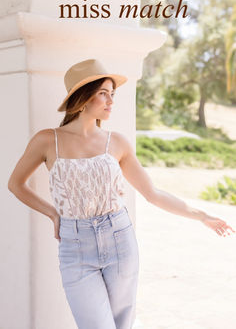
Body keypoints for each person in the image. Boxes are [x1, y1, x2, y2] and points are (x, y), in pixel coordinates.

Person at [8, 59, 235, 329]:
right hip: (75, 247)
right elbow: (16, 184)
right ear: (82, 97)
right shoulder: (47, 140)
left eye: (112, 94)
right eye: (103, 93)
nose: (110, 101)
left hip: (119, 239)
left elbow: (152, 193)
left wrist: (202, 216)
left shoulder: (116, 142)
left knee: (121, 325)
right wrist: (53, 214)